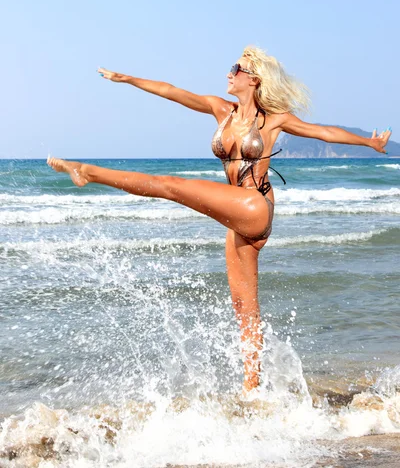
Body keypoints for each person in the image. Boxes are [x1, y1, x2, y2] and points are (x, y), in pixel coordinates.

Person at [47, 46, 391, 392]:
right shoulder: (220, 110)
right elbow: (173, 92)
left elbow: (325, 133)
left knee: (171, 185)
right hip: (236, 214)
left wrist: (369, 143)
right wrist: (128, 79)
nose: (229, 73)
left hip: (255, 205)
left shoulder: (274, 119)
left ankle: (88, 172)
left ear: (254, 79)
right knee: (243, 307)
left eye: (236, 69)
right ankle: (251, 389)